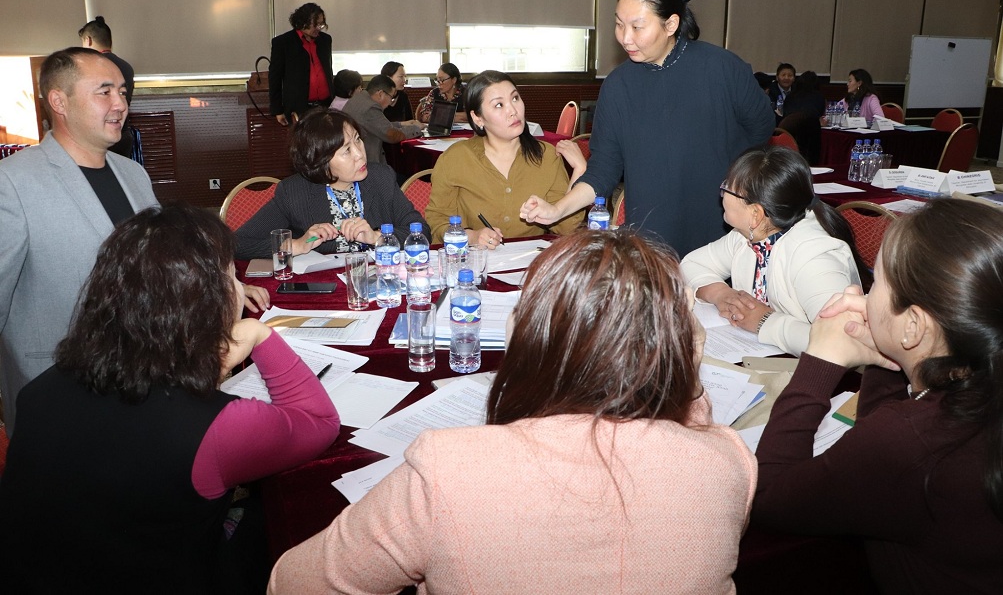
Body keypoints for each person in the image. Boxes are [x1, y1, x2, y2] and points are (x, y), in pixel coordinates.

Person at [268, 229, 757, 594]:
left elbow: (293, 584)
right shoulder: (729, 462)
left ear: (532, 338)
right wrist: (689, 381)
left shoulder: (447, 470)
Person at [0, 203, 340, 592]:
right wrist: (259, 335)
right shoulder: (217, 426)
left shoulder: (39, 389)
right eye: (232, 274)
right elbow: (320, 423)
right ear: (208, 300)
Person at [753, 198, 1003, 591]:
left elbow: (768, 500)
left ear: (914, 324)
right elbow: (881, 455)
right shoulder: (973, 390)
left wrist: (820, 360)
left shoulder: (912, 442)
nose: (866, 293)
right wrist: (890, 356)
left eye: (877, 281)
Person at [521, 0, 774, 258]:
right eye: (619, 24)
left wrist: (730, 182)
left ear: (671, 24)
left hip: (720, 232)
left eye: (637, 27)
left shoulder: (722, 68)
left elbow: (761, 131)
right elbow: (603, 169)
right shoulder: (618, 86)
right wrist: (557, 209)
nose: (625, 38)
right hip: (650, 237)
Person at [0, 47, 158, 436]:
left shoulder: (134, 174)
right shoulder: (12, 182)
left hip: (144, 379)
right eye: (104, 91)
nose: (120, 104)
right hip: (57, 389)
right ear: (59, 101)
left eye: (123, 92)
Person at [681, 145, 865, 356]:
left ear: (756, 214)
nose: (721, 191)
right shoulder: (747, 236)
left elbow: (842, 341)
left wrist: (765, 322)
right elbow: (691, 264)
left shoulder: (814, 257)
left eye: (727, 187)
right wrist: (722, 294)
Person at [234, 109, 428, 258]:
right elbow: (238, 244)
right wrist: (297, 245)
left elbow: (422, 231)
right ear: (322, 162)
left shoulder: (380, 177)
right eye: (347, 150)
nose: (360, 154)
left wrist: (378, 238)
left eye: (358, 140)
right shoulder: (294, 192)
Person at [425, 70, 585, 246]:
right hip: (476, 259)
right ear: (478, 118)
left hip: (529, 259)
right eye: (499, 105)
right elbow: (436, 221)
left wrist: (580, 171)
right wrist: (471, 237)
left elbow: (567, 228)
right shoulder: (456, 158)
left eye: (515, 98)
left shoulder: (546, 155)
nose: (513, 111)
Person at [78, 16, 136, 159]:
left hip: (99, 137)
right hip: (122, 134)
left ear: (88, 40)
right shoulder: (126, 67)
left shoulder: (90, 67)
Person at [268, 2, 334, 126]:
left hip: (326, 106)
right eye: (316, 24)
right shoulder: (282, 42)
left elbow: (328, 70)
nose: (319, 28)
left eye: (321, 24)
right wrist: (277, 110)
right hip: (298, 108)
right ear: (302, 22)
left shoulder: (325, 40)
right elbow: (275, 78)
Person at [342, 74, 423, 164]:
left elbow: (377, 125)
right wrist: (417, 129)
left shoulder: (359, 98)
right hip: (367, 164)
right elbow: (392, 135)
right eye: (391, 97)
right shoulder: (370, 108)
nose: (390, 103)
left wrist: (402, 124)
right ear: (380, 94)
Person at [778, 71, 825, 164]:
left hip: (788, 135)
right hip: (811, 137)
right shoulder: (818, 96)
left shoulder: (790, 96)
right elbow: (819, 116)